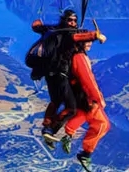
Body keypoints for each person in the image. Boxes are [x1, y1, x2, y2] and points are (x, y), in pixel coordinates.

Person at [58, 35, 110, 172]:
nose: (90, 44)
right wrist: (98, 98)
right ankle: (85, 154)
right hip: (86, 96)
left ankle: (68, 134)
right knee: (102, 124)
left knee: (84, 114)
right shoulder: (80, 58)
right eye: (87, 42)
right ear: (80, 42)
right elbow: (88, 79)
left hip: (78, 94)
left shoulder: (74, 55)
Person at [31, 9, 79, 142]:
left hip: (49, 73)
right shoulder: (69, 34)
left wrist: (38, 24)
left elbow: (37, 27)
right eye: (70, 20)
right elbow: (82, 37)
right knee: (71, 108)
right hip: (61, 74)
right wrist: (96, 36)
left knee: (56, 101)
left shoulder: (53, 30)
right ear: (65, 20)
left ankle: (47, 128)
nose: (73, 23)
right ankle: (52, 130)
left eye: (75, 20)